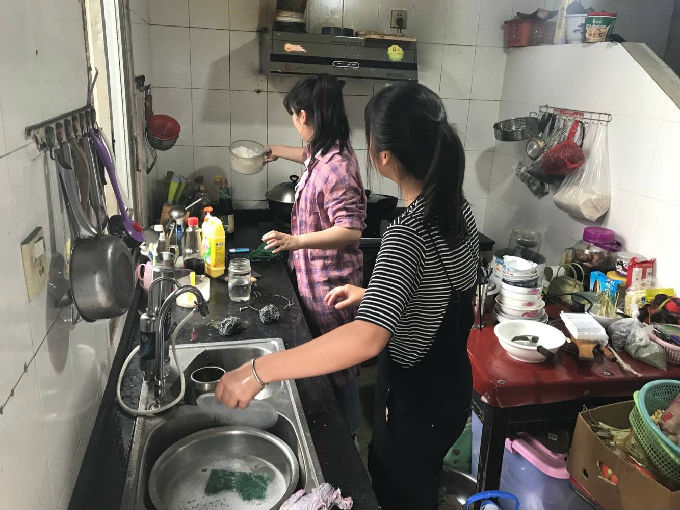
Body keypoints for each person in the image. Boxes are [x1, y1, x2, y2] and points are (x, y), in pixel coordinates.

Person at [216, 82, 479, 509]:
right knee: (418, 482)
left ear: (383, 156)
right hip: (451, 388)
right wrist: (375, 294)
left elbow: (364, 339)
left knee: (397, 489)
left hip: (416, 399)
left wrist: (259, 370)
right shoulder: (456, 209)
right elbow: (442, 291)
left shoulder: (406, 234)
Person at [261, 74, 367, 438]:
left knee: (339, 365)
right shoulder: (325, 151)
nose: (294, 122)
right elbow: (307, 157)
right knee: (323, 362)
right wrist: (277, 151)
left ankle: (348, 437)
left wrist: (296, 242)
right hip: (314, 282)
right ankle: (332, 432)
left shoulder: (337, 168)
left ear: (304, 115)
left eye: (293, 115)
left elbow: (351, 230)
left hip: (331, 287)